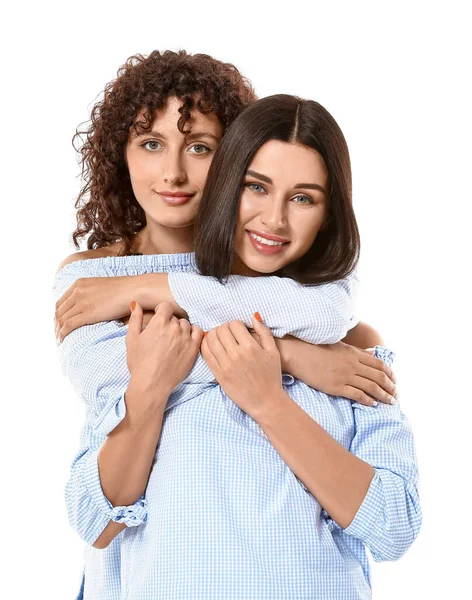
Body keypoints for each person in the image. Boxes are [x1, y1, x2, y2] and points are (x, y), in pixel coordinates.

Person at [54, 91, 416, 599]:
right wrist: (289, 355)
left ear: (329, 213)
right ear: (229, 184)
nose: (274, 220)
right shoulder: (133, 321)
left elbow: (395, 527)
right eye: (256, 187)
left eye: (304, 198)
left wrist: (270, 401)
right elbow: (93, 519)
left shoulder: (349, 347)